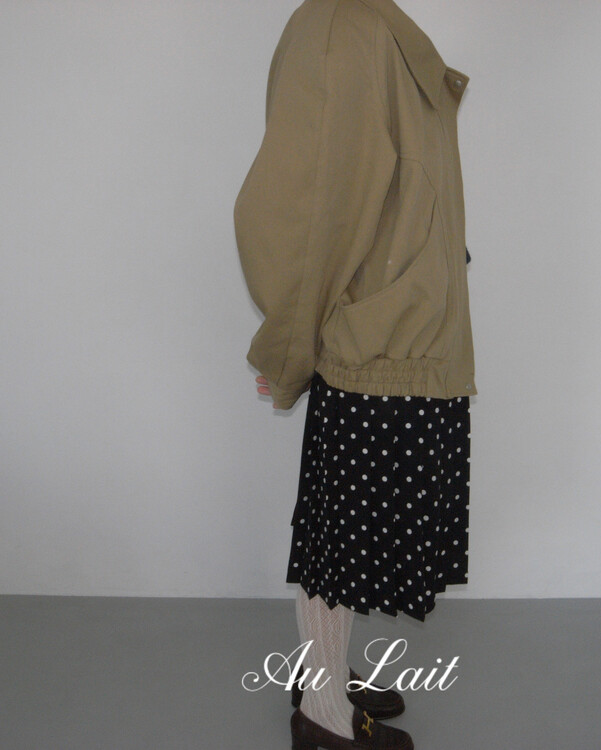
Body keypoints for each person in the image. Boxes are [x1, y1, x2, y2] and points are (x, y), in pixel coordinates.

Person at [235, 0, 476, 747]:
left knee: (350, 539)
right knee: (339, 546)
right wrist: (289, 347)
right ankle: (322, 713)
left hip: (406, 334)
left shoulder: (372, 21)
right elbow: (308, 210)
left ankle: (326, 673)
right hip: (378, 342)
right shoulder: (343, 27)